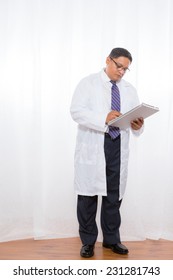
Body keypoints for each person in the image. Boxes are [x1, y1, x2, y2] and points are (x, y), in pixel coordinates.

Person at [70, 47, 144, 258]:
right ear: (108, 60)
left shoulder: (129, 89)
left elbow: (133, 117)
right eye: (119, 66)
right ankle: (88, 242)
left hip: (117, 145)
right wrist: (104, 117)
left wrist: (138, 125)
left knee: (113, 196)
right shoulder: (88, 83)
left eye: (126, 69)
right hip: (94, 146)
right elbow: (76, 111)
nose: (121, 72)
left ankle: (111, 240)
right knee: (88, 197)